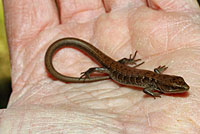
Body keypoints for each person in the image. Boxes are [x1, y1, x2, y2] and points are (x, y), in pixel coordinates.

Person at [1, 0, 199, 133]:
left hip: (119, 68)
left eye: (176, 85)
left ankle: (107, 67)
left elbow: (153, 76)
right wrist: (156, 92)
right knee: (108, 70)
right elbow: (147, 87)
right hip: (114, 70)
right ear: (165, 86)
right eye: (175, 86)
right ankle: (91, 70)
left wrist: (156, 74)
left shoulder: (156, 81)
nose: (180, 87)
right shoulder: (154, 86)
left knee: (115, 69)